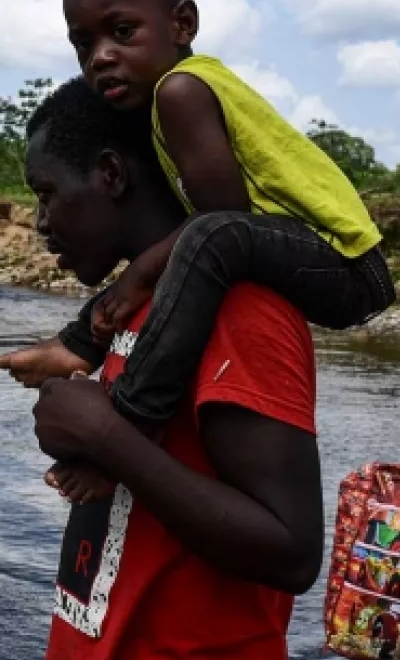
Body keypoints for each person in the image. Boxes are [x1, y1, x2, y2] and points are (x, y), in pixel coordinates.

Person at [0, 0, 395, 496]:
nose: (101, 57)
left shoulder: (180, 91)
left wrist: (137, 276)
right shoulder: (174, 98)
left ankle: (130, 423)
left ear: (183, 25)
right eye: (83, 45)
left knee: (203, 246)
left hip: (347, 263)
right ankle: (81, 344)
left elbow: (221, 220)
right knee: (188, 257)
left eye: (122, 32)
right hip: (304, 252)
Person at [21, 78, 325, 659]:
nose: (40, 221)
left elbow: (292, 551)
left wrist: (105, 438)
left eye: (47, 192)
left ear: (111, 175)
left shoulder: (240, 310)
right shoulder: (136, 306)